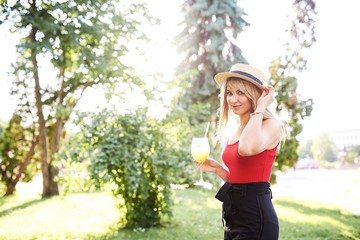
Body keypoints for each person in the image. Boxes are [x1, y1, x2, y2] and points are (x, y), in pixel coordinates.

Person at [198, 63, 284, 240]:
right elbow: (242, 178)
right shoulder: (239, 129)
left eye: (240, 93)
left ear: (255, 95)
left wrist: (260, 108)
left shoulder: (271, 124)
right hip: (234, 216)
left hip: (256, 217)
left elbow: (246, 149)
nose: (232, 99)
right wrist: (218, 170)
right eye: (229, 93)